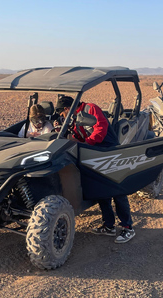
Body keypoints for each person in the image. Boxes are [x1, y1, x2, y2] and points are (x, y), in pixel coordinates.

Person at [55, 96, 135, 243]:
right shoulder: (74, 118)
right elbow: (80, 135)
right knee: (102, 191)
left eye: (62, 114)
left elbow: (100, 129)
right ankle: (109, 226)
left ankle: (128, 227)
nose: (62, 117)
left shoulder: (90, 109)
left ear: (66, 109)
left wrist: (86, 143)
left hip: (109, 152)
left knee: (118, 191)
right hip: (93, 155)